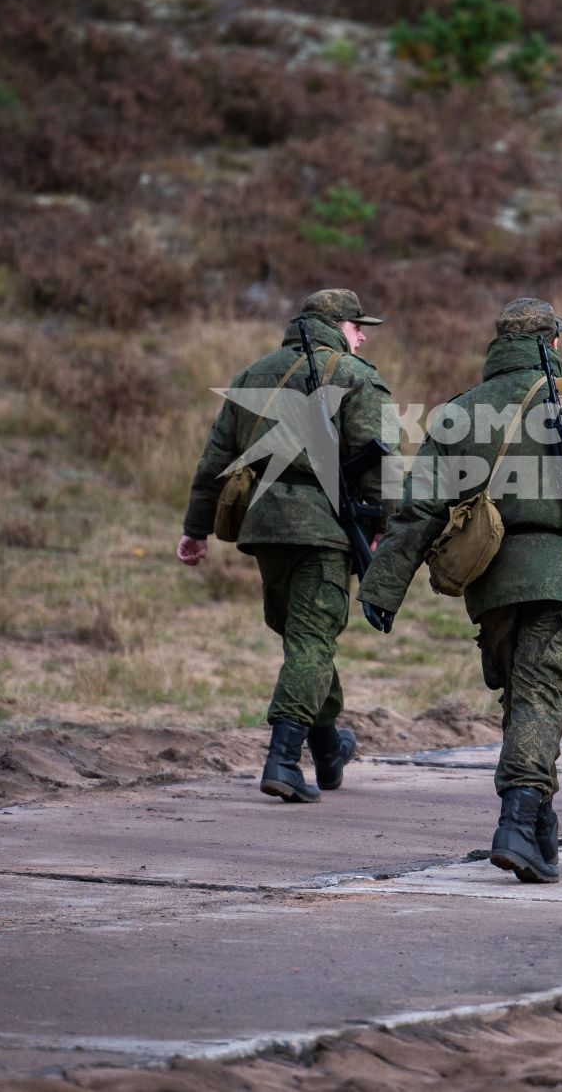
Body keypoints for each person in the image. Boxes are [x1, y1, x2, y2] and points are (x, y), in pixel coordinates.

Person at [357, 298, 562, 883]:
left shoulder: (460, 411)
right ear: (553, 344)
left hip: (490, 581)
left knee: (523, 700)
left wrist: (382, 588)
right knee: (543, 699)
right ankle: (517, 820)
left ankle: (538, 826)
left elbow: (418, 511)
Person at [177, 288, 391, 804]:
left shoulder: (253, 375)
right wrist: (386, 525)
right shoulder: (357, 377)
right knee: (312, 642)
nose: (362, 336)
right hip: (325, 528)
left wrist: (196, 528)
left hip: (266, 526)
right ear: (337, 325)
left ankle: (326, 746)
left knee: (303, 639)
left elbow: (215, 462)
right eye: (357, 326)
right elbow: (382, 463)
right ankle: (282, 759)